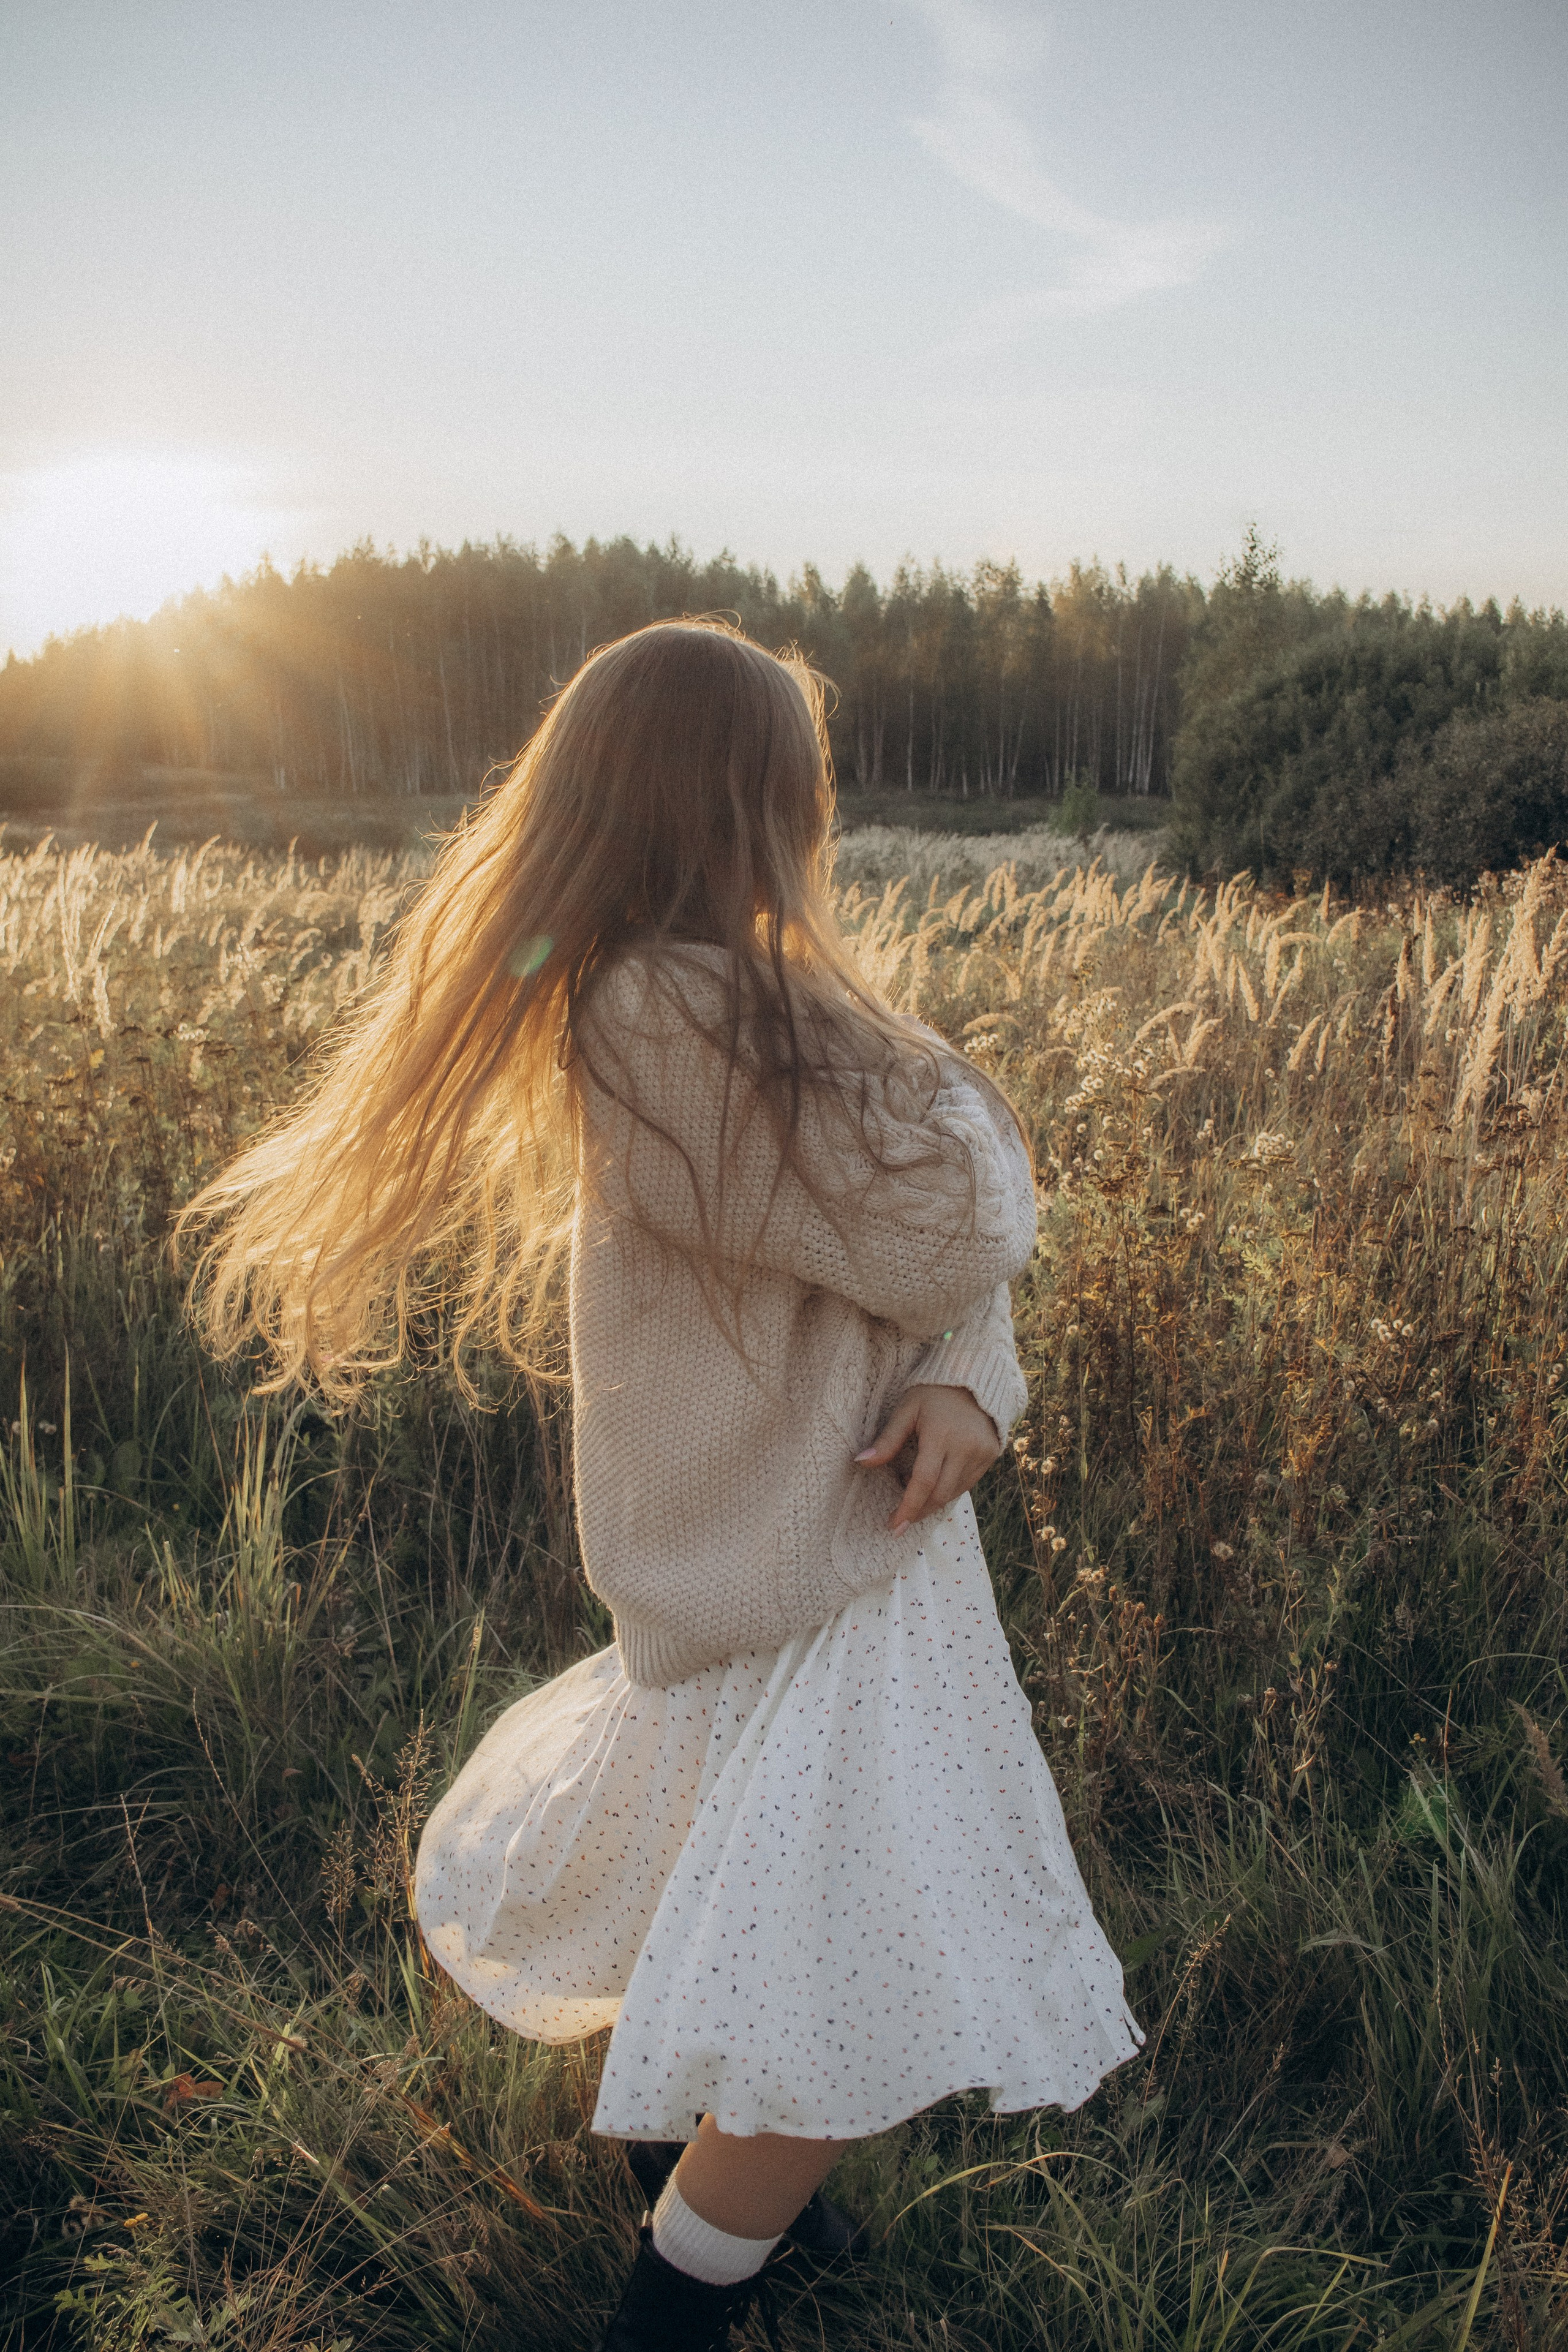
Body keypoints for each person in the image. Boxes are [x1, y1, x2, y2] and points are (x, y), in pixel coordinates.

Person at [181, 620, 1141, 2351]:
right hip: (801, 1579)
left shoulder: (745, 1002)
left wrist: (971, 1386)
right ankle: (671, 2311)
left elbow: (930, 1274)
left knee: (763, 1910)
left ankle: (684, 2191)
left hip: (850, 1560)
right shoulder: (665, 1018)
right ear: (747, 803)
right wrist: (965, 1200)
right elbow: (963, 1217)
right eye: (798, 794)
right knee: (846, 1989)